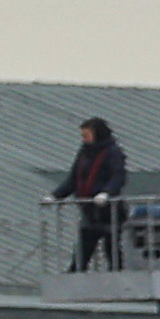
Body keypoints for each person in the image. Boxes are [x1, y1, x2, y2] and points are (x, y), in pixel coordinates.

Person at [57, 115, 127, 271]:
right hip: (90, 210)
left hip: (109, 211)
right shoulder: (84, 154)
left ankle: (117, 277)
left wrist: (106, 193)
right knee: (83, 249)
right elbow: (74, 178)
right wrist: (56, 195)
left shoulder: (113, 153)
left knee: (112, 247)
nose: (83, 139)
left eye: (86, 135)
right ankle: (75, 276)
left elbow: (118, 176)